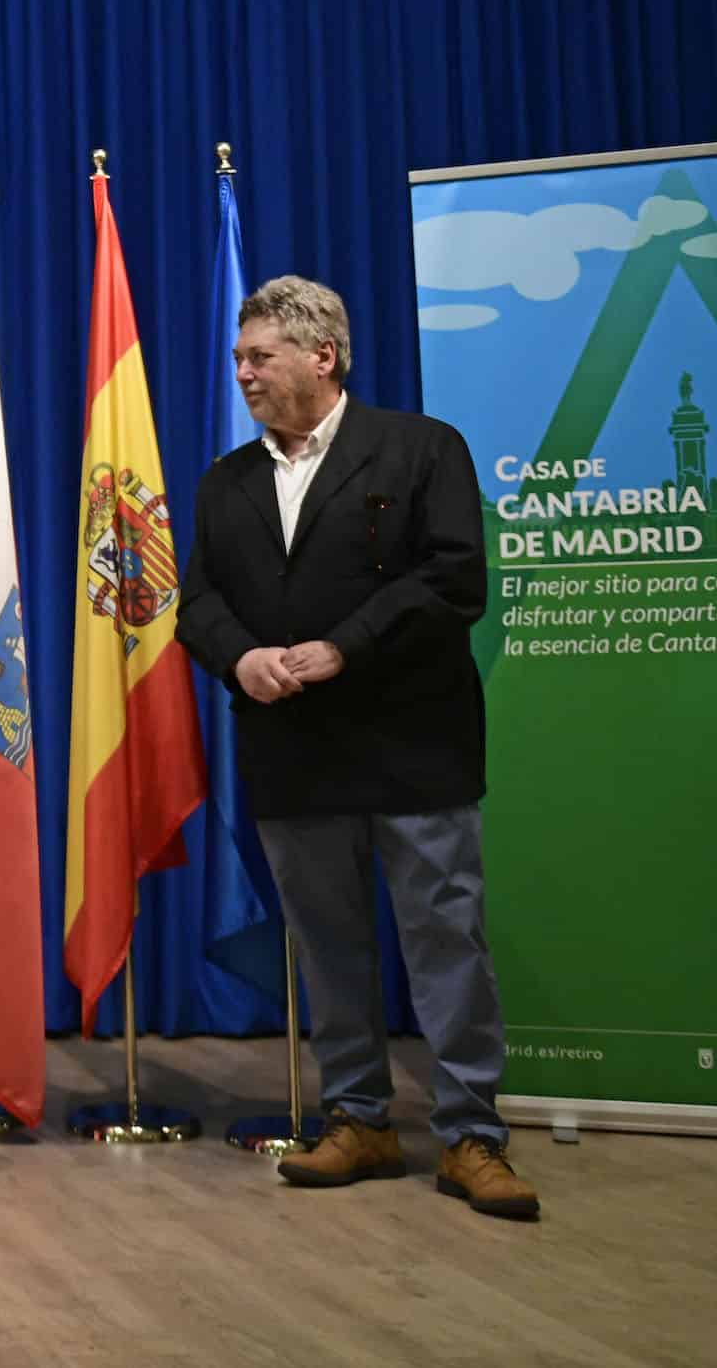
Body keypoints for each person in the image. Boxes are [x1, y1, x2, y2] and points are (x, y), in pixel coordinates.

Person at [177, 274, 539, 1221]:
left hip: (413, 744)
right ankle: (359, 1118)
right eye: (240, 357)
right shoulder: (224, 481)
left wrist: (346, 646)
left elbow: (455, 580)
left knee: (445, 942)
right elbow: (197, 603)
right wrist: (240, 657)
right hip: (294, 752)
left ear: (323, 357)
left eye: (260, 356)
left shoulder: (423, 449)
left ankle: (471, 1134)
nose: (243, 372)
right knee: (328, 948)